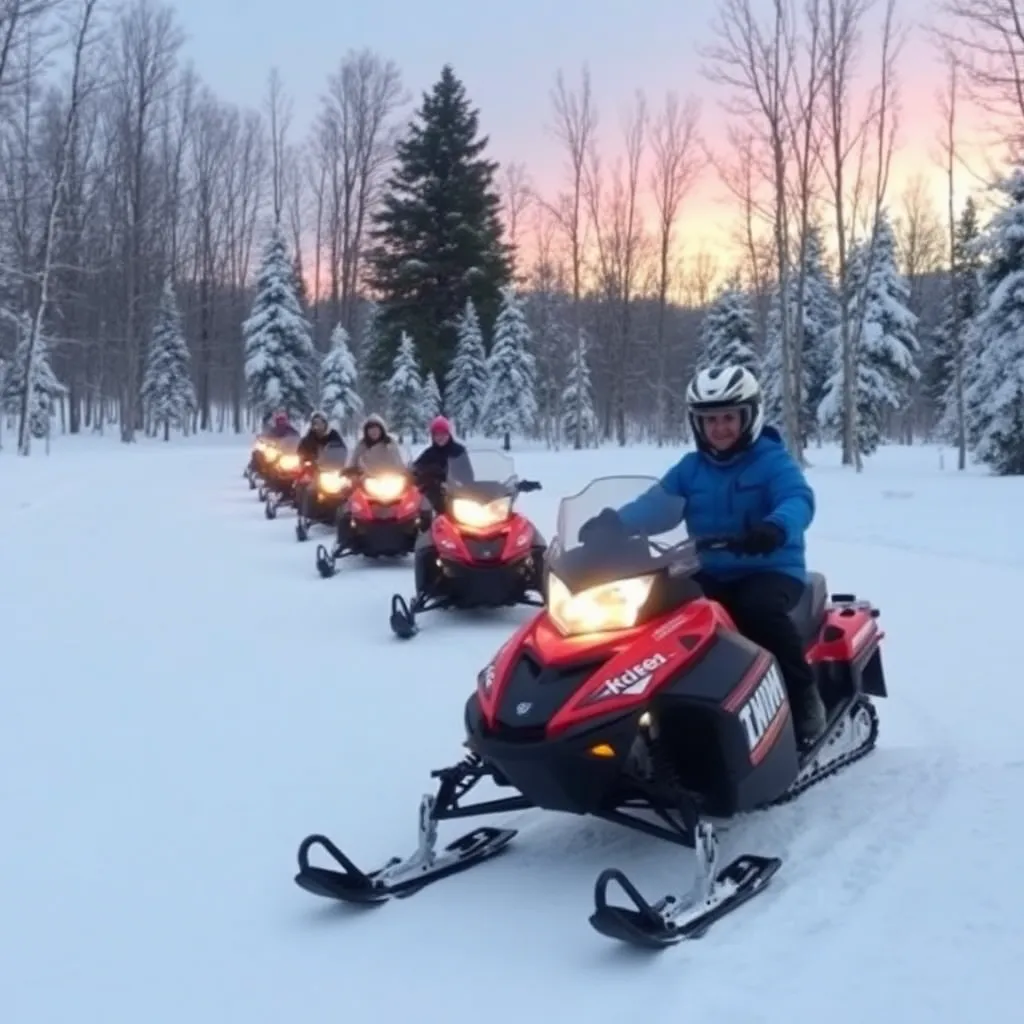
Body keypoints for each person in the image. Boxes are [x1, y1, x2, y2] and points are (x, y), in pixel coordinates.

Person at [579, 365, 827, 747]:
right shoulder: (691, 469)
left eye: (728, 418)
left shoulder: (772, 461)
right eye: (709, 420)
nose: (719, 428)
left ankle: (803, 701)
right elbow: (656, 506)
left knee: (758, 611)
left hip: (771, 567)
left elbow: (798, 498)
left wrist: (775, 527)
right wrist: (613, 524)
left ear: (749, 417)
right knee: (659, 613)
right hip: (710, 568)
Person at [412, 416, 471, 513]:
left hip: (455, 491)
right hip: (433, 492)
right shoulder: (429, 453)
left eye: (443, 434)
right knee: (422, 509)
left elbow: (468, 475)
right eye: (437, 434)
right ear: (433, 436)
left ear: (449, 434)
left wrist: (454, 479)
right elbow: (416, 468)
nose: (440, 437)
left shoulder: (458, 451)